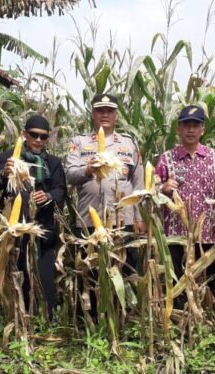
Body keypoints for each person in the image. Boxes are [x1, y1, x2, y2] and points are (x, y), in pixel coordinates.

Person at [155, 104, 215, 307]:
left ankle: (211, 319)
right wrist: (163, 188)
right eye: (186, 125)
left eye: (195, 125)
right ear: (178, 129)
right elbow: (150, 190)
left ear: (203, 129)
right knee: (178, 282)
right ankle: (180, 319)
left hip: (208, 233)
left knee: (210, 282)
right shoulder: (166, 159)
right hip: (176, 234)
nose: (191, 130)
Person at [64, 93, 145, 318]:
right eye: (100, 110)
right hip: (89, 219)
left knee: (126, 269)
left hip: (123, 220)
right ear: (93, 114)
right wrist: (89, 170)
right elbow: (69, 174)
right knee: (88, 270)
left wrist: (139, 218)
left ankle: (125, 317)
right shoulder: (79, 142)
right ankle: (88, 320)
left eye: (109, 111)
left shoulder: (129, 144)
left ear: (116, 115)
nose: (105, 115)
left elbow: (138, 183)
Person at [0, 115, 67, 317]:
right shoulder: (9, 158)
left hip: (44, 227)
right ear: (24, 134)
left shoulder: (54, 163)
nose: (38, 140)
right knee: (17, 268)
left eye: (43, 137)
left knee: (44, 272)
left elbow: (61, 190)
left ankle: (46, 316)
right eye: (34, 135)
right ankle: (17, 315)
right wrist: (4, 174)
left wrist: (48, 195)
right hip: (14, 227)